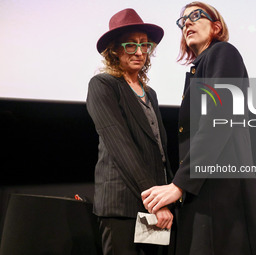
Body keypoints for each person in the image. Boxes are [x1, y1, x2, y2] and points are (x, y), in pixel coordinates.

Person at [141, 2, 256, 255]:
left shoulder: (223, 53)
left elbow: (218, 121)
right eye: (182, 20)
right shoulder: (201, 67)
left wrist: (178, 185)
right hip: (207, 190)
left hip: (221, 195)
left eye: (195, 16)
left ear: (216, 27)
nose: (186, 22)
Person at [86, 8, 174, 255]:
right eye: (130, 45)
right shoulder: (103, 85)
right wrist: (155, 202)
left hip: (153, 204)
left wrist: (167, 198)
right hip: (121, 206)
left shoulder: (151, 94)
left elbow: (159, 150)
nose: (139, 51)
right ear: (114, 49)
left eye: (144, 45)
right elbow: (120, 146)